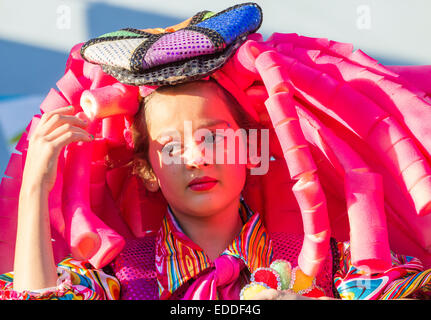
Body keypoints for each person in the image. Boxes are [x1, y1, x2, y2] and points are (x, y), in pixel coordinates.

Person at [1, 3, 430, 300]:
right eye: (170, 146)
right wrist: (35, 185)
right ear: (148, 169)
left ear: (249, 146)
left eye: (212, 137)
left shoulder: (334, 267)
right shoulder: (117, 276)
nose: (195, 158)